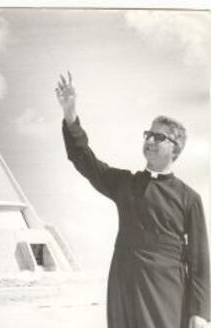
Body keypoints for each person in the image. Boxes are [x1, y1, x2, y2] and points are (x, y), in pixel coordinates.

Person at [55, 72, 210, 328]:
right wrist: (70, 116)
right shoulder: (126, 183)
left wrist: (200, 311)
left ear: (176, 147)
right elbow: (85, 160)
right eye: (148, 134)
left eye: (159, 137)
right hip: (124, 284)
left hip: (167, 290)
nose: (150, 140)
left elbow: (200, 259)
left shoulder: (189, 198)